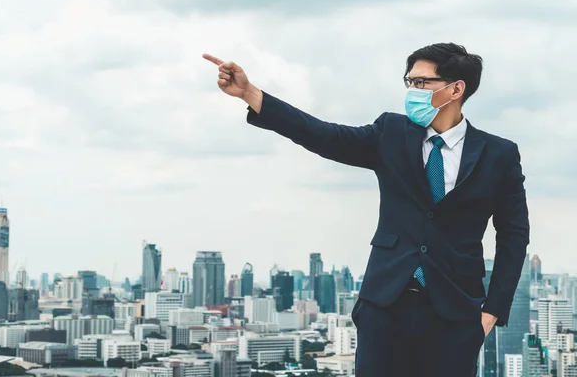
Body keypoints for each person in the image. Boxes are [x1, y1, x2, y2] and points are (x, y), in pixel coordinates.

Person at [203, 42, 529, 376]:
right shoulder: (391, 132)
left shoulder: (499, 154)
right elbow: (323, 135)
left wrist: (491, 312)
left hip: (456, 314)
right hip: (385, 306)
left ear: (455, 89)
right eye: (410, 82)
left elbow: (514, 235)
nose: (412, 90)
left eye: (422, 83)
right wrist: (251, 94)